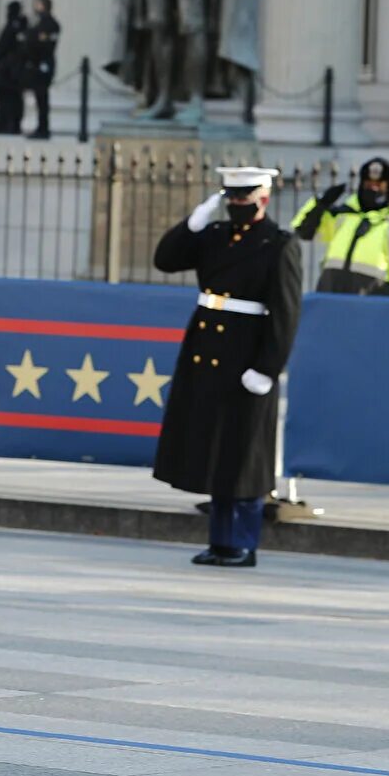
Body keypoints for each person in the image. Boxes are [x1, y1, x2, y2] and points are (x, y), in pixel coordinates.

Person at [150, 167, 303, 567]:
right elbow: (165, 260)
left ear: (263, 199)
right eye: (230, 200)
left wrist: (268, 368)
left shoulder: (279, 243)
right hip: (206, 353)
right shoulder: (215, 236)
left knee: (245, 454)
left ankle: (243, 542)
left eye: (243, 200)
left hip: (246, 357)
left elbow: (286, 314)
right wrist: (194, 222)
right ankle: (220, 541)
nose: (236, 206)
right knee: (216, 452)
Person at [290, 157, 389, 300]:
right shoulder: (344, 215)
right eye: (368, 185)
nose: (373, 189)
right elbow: (303, 229)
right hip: (332, 300)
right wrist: (320, 203)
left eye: (379, 185)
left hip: (379, 308)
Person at [0, 0, 29, 135]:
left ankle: (7, 125)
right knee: (11, 98)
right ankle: (10, 125)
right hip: (12, 69)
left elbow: (3, 47)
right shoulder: (21, 26)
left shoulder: (14, 26)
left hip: (8, 70)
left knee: (8, 99)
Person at [25, 0, 59, 139]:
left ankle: (43, 129)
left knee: (42, 98)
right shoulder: (40, 23)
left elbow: (42, 44)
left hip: (43, 64)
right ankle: (41, 127)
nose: (36, 8)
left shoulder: (50, 24)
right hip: (37, 64)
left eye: (38, 5)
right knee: (40, 98)